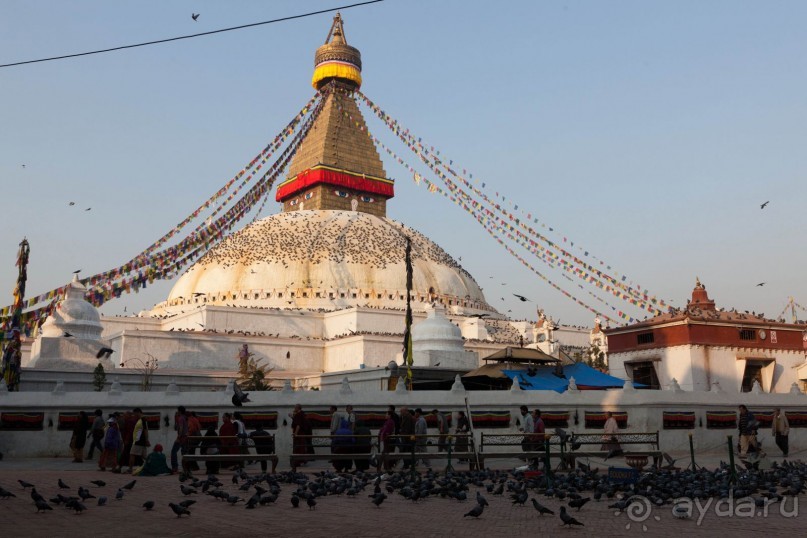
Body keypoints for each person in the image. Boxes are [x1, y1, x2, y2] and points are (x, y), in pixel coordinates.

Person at [127, 407, 149, 473]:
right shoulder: (140, 420)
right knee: (144, 456)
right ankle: (154, 465)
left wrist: (146, 440)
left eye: (135, 413)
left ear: (138, 412)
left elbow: (145, 430)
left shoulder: (143, 420)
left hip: (138, 441)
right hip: (139, 440)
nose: (134, 415)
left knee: (132, 454)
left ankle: (130, 469)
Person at [170, 406, 188, 474]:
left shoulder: (180, 418)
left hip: (181, 438)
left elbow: (180, 428)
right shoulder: (185, 418)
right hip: (185, 438)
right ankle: (185, 468)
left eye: (178, 411)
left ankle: (175, 467)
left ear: (180, 411)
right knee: (184, 453)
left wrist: (178, 437)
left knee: (173, 451)